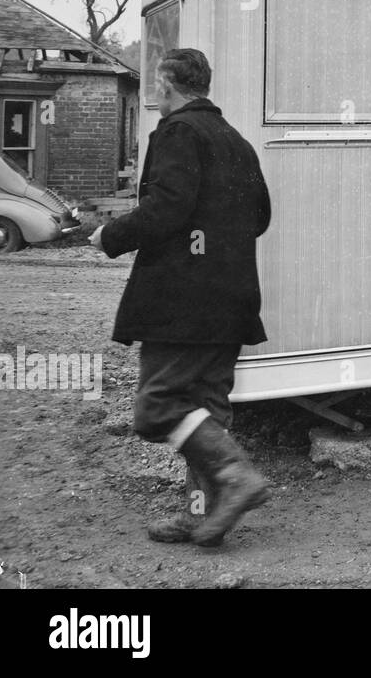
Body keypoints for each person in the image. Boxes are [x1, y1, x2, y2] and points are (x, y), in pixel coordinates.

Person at [90, 48, 272, 547]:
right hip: (230, 300)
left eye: (156, 85)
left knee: (158, 407)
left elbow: (166, 207)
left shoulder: (177, 132)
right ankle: (204, 514)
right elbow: (259, 216)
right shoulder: (237, 140)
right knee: (206, 407)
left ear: (168, 86)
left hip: (183, 303)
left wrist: (110, 235)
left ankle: (237, 477)